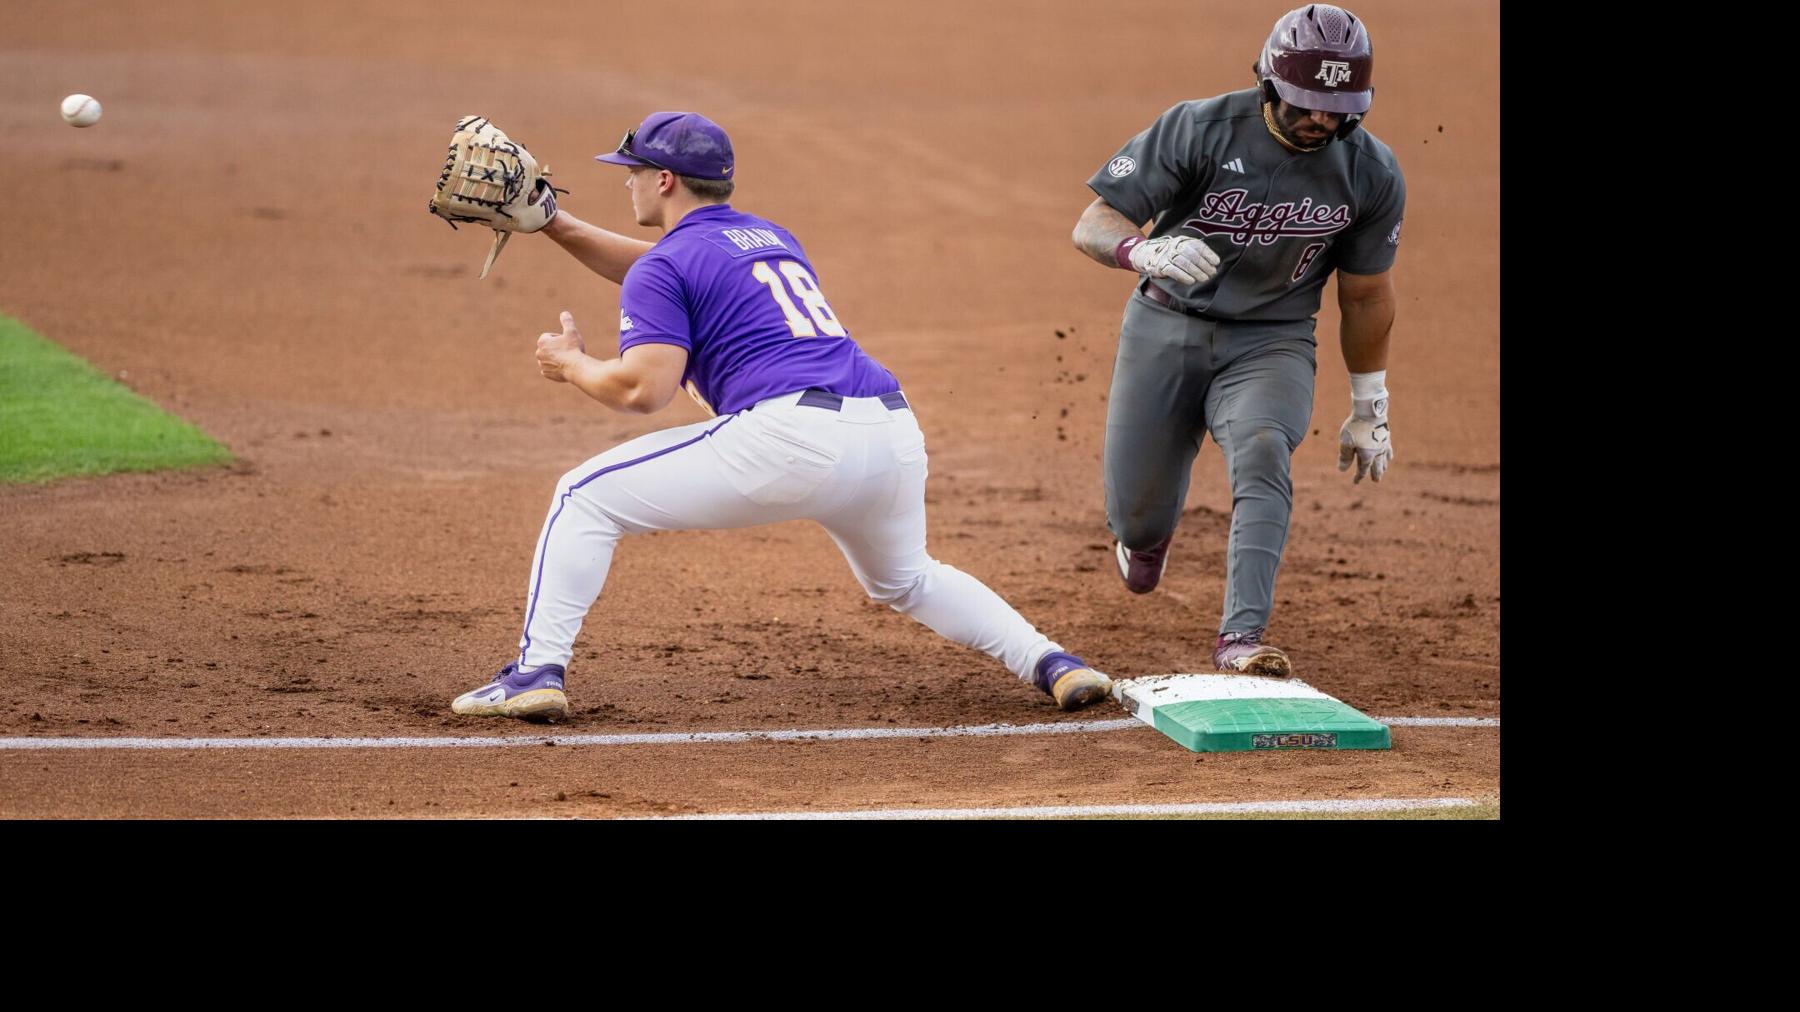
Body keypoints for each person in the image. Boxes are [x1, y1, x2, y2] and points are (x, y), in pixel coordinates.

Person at [452, 111, 1112, 721]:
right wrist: (557, 225)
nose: (626, 185)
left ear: (663, 179)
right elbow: (664, 267)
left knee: (583, 497)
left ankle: (536, 671)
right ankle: (1054, 663)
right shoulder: (768, 236)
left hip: (790, 440)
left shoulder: (669, 266)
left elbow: (641, 390)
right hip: (888, 432)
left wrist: (571, 364)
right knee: (908, 578)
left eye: (630, 173)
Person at [1070, 3, 1404, 677]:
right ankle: (1145, 540)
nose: (1322, 119)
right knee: (1137, 515)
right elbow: (1094, 222)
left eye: (1337, 107)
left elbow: (1365, 293)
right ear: (1268, 83)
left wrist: (1370, 403)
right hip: (1164, 326)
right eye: (1307, 103)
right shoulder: (1199, 127)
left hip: (1272, 341)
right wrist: (1143, 251)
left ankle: (1243, 638)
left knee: (1262, 450)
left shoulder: (1370, 172)